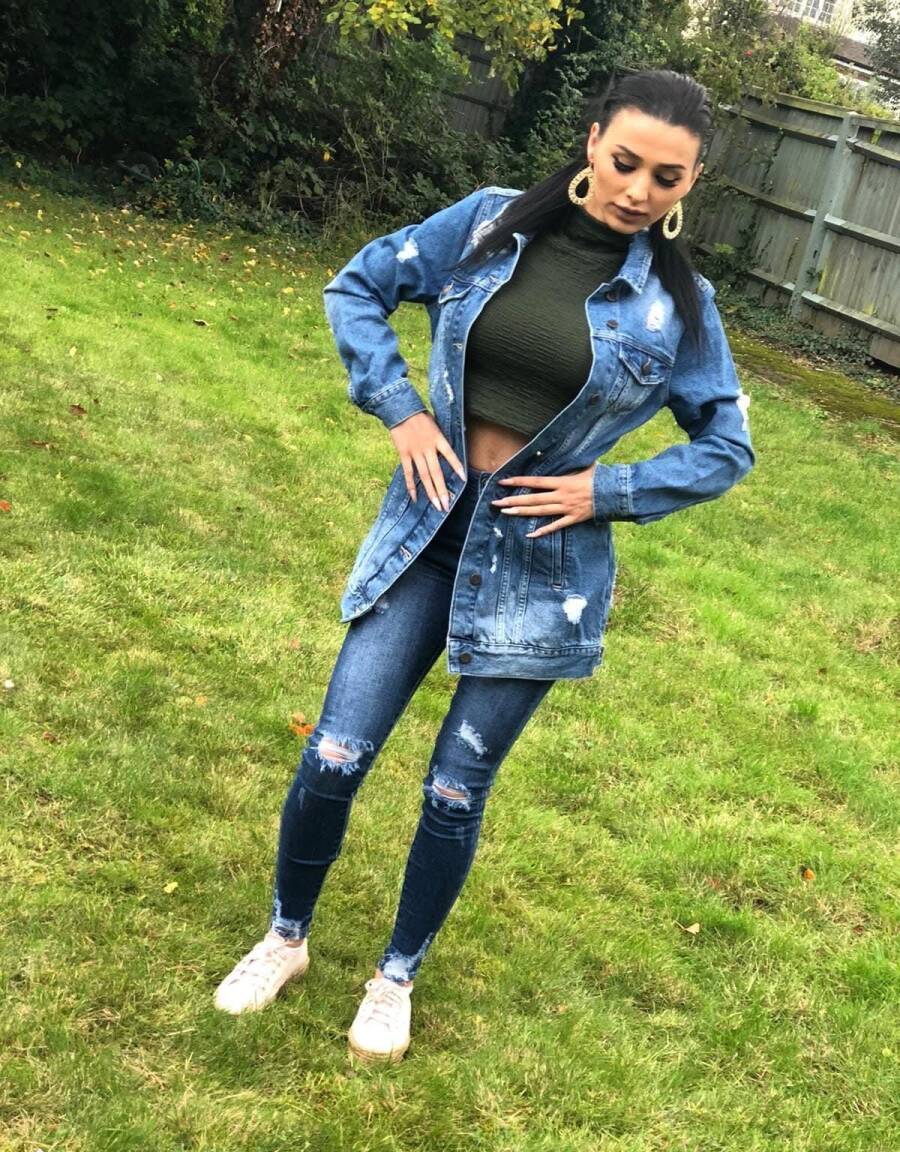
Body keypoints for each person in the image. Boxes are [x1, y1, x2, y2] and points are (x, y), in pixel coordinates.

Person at [213, 68, 756, 1063]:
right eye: (626, 162)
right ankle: (285, 938)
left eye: (667, 178)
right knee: (334, 753)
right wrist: (402, 409)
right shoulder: (488, 225)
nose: (639, 190)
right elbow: (359, 286)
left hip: (543, 571)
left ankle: (395, 978)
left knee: (455, 792)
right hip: (427, 534)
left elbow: (727, 445)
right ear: (592, 142)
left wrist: (609, 491)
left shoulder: (679, 308)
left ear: (691, 185)